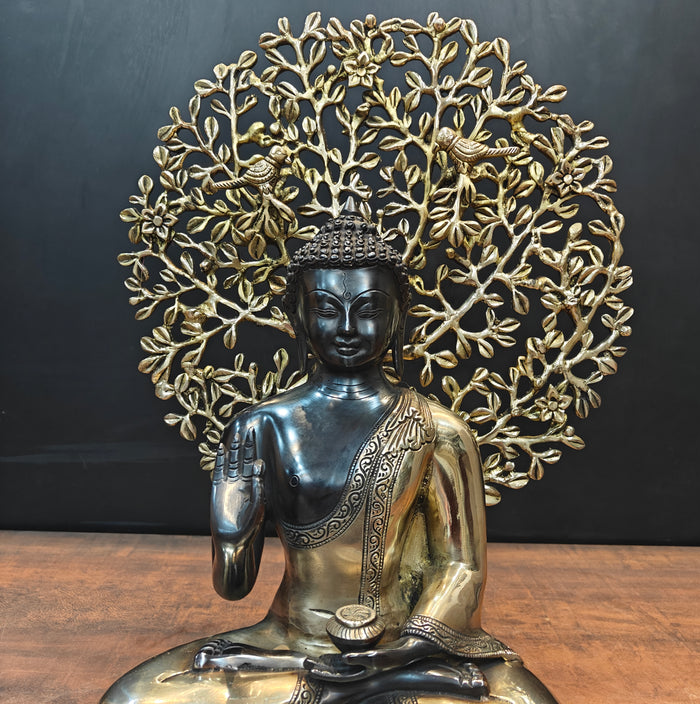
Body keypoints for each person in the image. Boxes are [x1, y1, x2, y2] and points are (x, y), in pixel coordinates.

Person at [101, 208, 558, 704]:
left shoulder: (439, 431)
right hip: (290, 643)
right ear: (298, 315)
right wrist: (231, 533)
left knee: (525, 700)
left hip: (404, 649)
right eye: (325, 308)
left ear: (398, 316)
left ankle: (363, 685)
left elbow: (459, 569)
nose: (345, 327)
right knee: (134, 697)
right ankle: (355, 690)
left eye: (367, 309)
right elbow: (233, 587)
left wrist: (399, 653)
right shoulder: (261, 427)